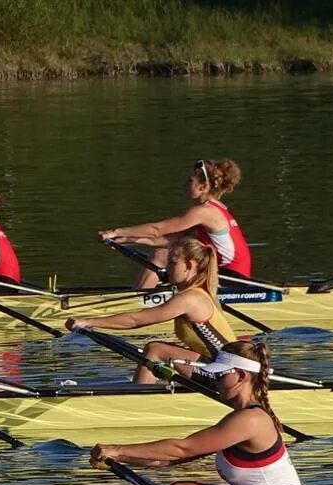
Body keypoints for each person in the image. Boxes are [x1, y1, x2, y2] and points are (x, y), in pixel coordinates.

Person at [89, 339, 319, 485]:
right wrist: (120, 459)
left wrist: (116, 449)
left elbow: (181, 449)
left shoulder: (251, 420)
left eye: (220, 374)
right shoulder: (243, 416)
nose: (215, 380)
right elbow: (166, 461)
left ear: (240, 376)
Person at [67, 236, 235, 382]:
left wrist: (89, 321)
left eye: (172, 263)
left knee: (155, 349)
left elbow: (135, 320)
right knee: (160, 350)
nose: (166, 268)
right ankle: (145, 387)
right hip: (223, 369)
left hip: (228, 374)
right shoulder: (197, 293)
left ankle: (139, 397)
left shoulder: (190, 298)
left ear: (189, 266)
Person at [100, 157, 252, 288]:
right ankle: (140, 299)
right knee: (164, 253)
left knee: (163, 256)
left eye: (190, 180)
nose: (185, 183)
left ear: (203, 187)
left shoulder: (204, 212)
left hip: (231, 279)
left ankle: (138, 303)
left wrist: (116, 231)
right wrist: (127, 239)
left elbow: (156, 229)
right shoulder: (211, 210)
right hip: (222, 273)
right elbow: (166, 240)